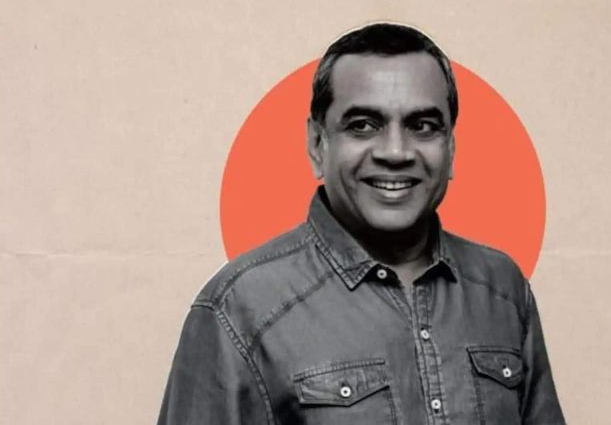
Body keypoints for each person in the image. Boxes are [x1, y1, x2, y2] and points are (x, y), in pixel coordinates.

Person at [158, 22, 565, 425]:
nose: (396, 152)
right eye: (363, 126)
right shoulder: (238, 308)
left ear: (451, 148)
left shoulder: (503, 289)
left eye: (423, 126)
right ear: (317, 145)